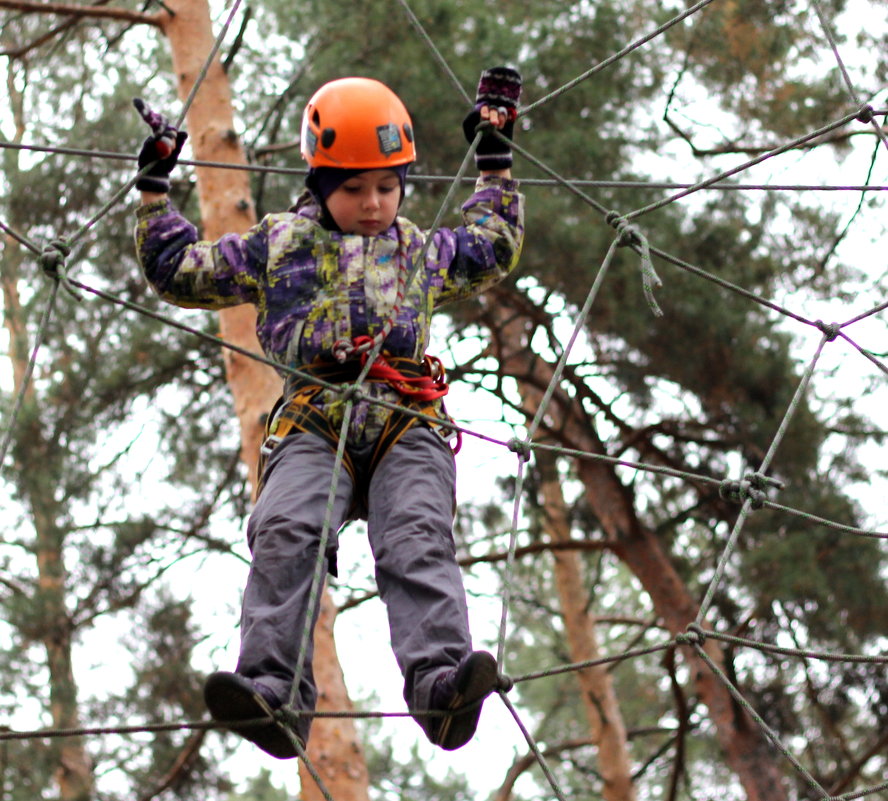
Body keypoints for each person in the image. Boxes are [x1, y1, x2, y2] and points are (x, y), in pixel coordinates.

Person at [133, 67, 524, 758]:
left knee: (417, 536)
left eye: (387, 186)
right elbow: (175, 268)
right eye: (353, 188)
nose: (373, 204)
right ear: (319, 182)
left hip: (406, 418)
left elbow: (492, 245)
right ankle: (273, 693)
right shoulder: (276, 245)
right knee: (286, 529)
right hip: (314, 419)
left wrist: (494, 157)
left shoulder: (419, 250)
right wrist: (155, 187)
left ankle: (440, 687)